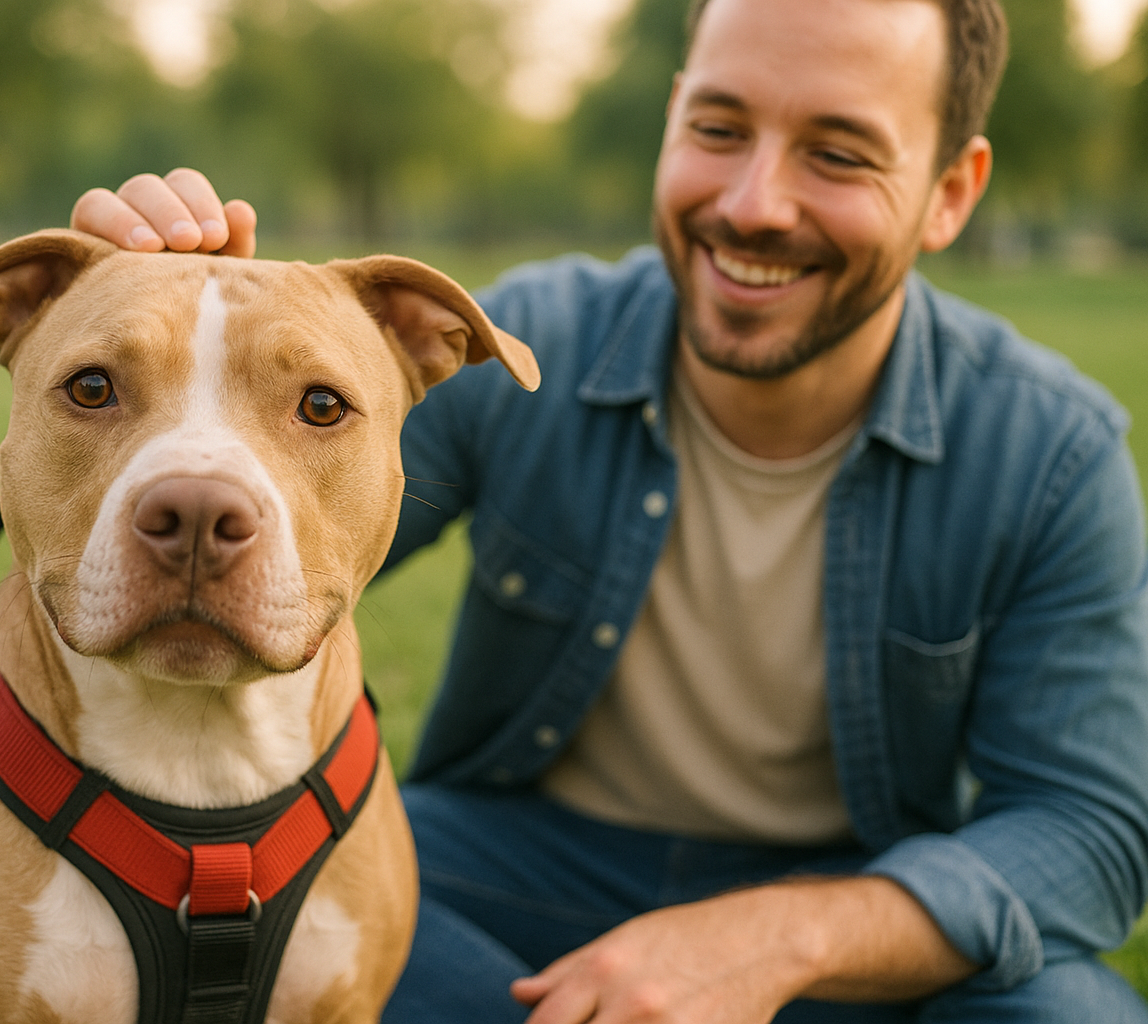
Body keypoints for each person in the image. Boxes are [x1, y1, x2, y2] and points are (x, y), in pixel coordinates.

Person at [68, 0, 1148, 1019]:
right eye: (719, 128)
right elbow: (269, 543)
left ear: (952, 191)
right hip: (503, 872)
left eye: (838, 153)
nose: (753, 203)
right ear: (673, 117)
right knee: (273, 915)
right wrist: (173, 364)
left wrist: (776, 938)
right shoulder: (526, 347)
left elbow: (1088, 831)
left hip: (861, 904)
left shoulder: (1051, 454)